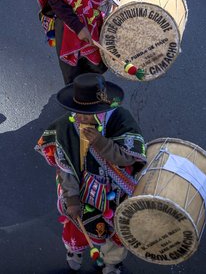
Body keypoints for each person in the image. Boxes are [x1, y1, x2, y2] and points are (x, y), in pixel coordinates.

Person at [35, 73, 147, 273]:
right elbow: (65, 168)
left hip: (114, 192)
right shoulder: (66, 126)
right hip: (80, 191)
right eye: (79, 112)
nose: (82, 118)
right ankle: (74, 251)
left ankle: (111, 263)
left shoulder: (121, 120)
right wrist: (72, 199)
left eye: (89, 113)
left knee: (115, 230)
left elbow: (128, 158)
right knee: (76, 225)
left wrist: (100, 143)